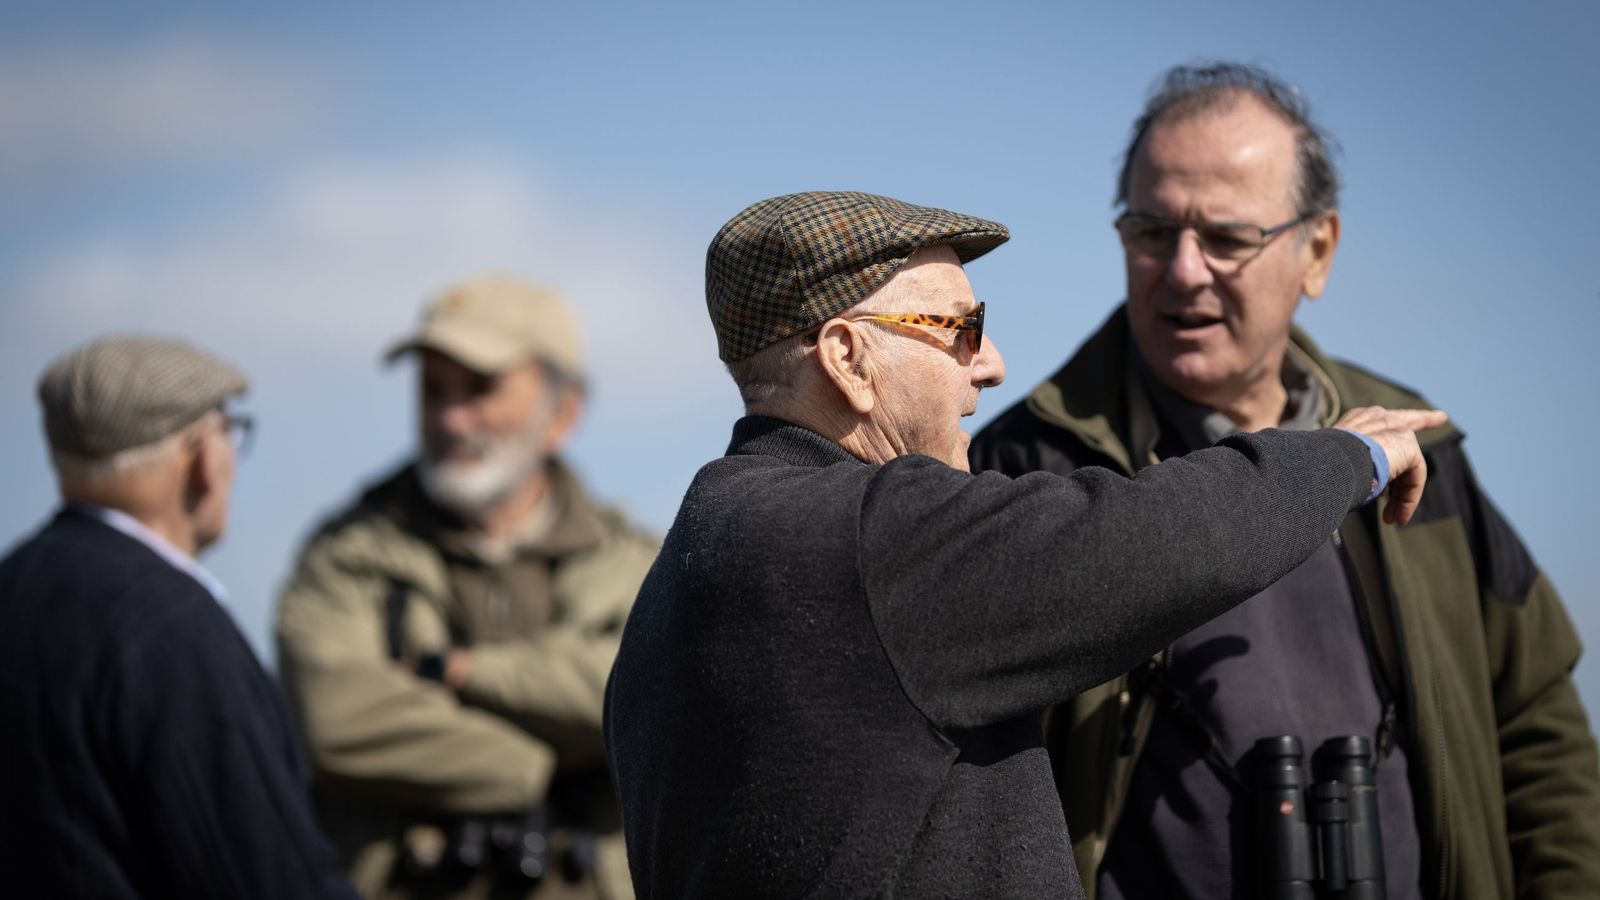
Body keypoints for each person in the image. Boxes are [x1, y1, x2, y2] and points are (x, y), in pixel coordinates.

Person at [603, 190, 1447, 899]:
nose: (993, 364)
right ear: (849, 359)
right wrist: (1351, 453)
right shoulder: (870, 542)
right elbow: (1159, 539)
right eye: (959, 328)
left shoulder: (692, 561)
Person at [970, 62, 1600, 900]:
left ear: (1319, 250)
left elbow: (1536, 728)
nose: (1184, 271)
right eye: (1153, 232)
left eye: (1227, 238)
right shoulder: (1027, 469)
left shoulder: (1420, 450)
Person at [276, 276, 660, 900]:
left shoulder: (636, 560)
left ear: (563, 413)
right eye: (432, 389)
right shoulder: (347, 553)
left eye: (481, 389)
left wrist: (458, 674)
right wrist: (540, 764)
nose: (451, 418)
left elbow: (656, 693)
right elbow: (335, 719)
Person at [0, 336, 355, 899]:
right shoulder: (171, 628)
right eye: (228, 432)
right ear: (200, 460)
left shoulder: (14, 587)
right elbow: (265, 876)